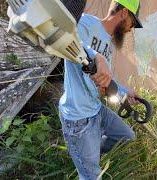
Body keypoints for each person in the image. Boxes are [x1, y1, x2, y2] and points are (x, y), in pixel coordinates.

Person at [58, 0, 143, 179]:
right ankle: (85, 155)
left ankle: (87, 152)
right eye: (133, 23)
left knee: (127, 136)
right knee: (92, 176)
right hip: (78, 117)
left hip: (96, 110)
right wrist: (95, 56)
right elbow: (67, 43)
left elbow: (106, 80)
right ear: (124, 13)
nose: (131, 29)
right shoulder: (85, 23)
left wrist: (124, 92)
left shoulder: (109, 45)